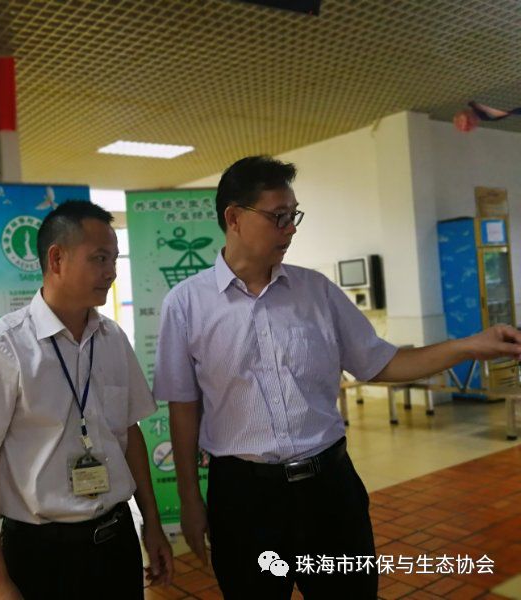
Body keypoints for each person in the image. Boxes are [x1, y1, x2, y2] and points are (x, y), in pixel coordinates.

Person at [153, 156, 521, 599]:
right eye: (278, 217)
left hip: (328, 491)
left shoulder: (317, 292)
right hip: (243, 499)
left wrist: (469, 346)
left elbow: (381, 363)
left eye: (294, 216)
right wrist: (190, 500)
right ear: (234, 218)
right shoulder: (186, 305)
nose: (290, 229)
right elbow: (183, 407)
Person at [0, 200, 173, 600]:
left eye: (114, 259)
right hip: (42, 551)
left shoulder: (112, 339)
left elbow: (130, 433)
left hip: (116, 540)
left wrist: (153, 525)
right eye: (100, 258)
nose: (111, 271)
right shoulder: (1, 348)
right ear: (56, 259)